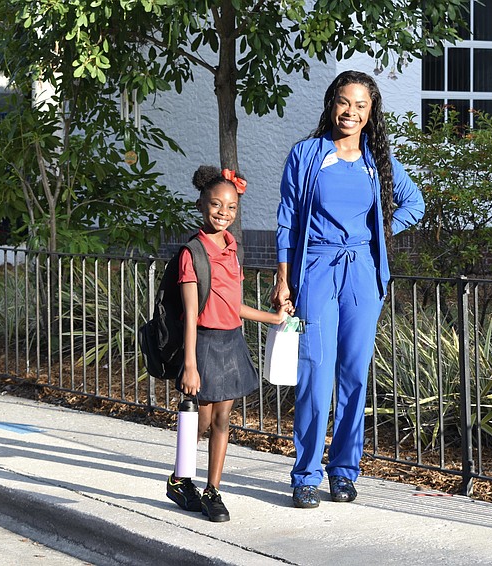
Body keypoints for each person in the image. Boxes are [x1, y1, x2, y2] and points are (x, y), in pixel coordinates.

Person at [271, 70, 425, 509]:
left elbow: (414, 203)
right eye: (344, 102)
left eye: (361, 105)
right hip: (316, 269)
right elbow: (287, 220)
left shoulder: (378, 160)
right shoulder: (306, 154)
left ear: (371, 112)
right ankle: (306, 475)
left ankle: (343, 472)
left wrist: (378, 233)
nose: (350, 112)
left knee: (354, 375)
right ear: (331, 104)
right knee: (315, 374)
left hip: (363, 273)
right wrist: (283, 279)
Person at [166, 165, 291, 522]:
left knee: (223, 420)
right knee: (201, 423)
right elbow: (192, 313)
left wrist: (273, 318)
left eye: (232, 206)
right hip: (204, 343)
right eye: (216, 204)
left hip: (231, 340)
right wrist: (190, 365)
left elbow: (232, 304)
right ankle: (179, 479)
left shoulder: (232, 248)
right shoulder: (193, 253)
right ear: (201, 204)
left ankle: (213, 491)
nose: (224, 212)